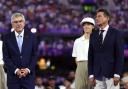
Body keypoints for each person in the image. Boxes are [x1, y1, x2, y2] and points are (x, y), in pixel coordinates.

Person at [88, 8, 124, 89]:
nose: (97, 18)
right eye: (96, 17)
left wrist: (117, 74)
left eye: (99, 16)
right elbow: (90, 56)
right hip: (97, 76)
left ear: (107, 18)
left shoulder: (116, 33)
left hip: (112, 75)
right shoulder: (93, 34)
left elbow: (120, 56)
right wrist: (91, 74)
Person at [2, 12, 37, 89]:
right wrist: (16, 70)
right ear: (12, 24)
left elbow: (35, 55)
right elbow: (6, 57)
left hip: (28, 78)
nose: (18, 24)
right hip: (13, 78)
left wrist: (28, 70)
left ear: (24, 23)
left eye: (20, 21)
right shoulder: (6, 38)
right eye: (16, 22)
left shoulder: (32, 37)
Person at [72, 17, 95, 89]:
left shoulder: (97, 41)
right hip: (80, 66)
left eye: (88, 24)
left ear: (93, 26)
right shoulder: (77, 41)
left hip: (93, 66)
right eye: (84, 24)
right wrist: (80, 67)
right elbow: (75, 57)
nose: (86, 26)